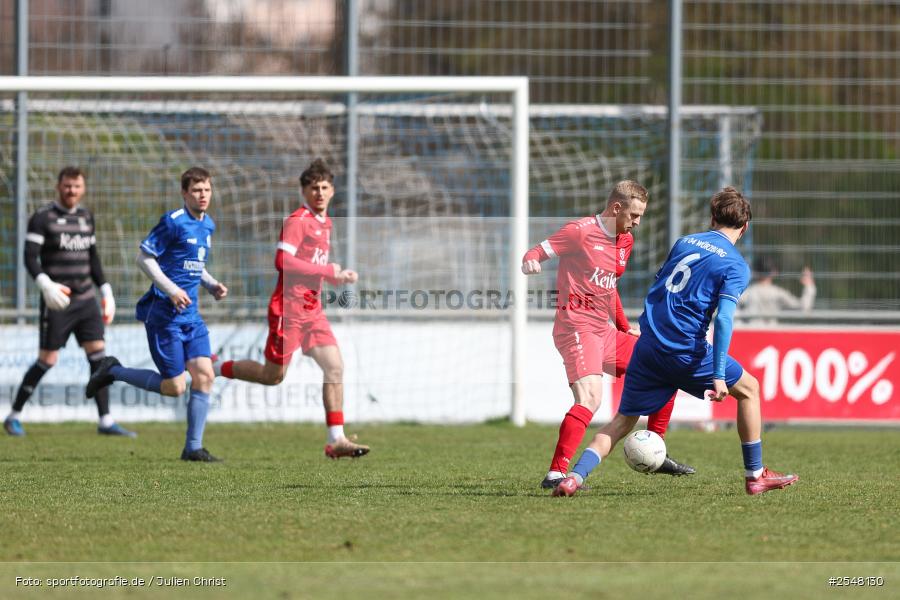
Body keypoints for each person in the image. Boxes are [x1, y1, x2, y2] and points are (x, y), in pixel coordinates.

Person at [554, 187, 799, 497]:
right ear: (745, 226)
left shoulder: (684, 243)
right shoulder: (735, 266)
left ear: (712, 219)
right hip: (686, 351)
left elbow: (661, 287)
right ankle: (755, 475)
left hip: (649, 346)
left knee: (621, 422)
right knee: (749, 390)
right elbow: (723, 319)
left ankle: (574, 477)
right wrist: (719, 375)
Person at [522, 180, 694, 491]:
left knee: (664, 367)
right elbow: (536, 251)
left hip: (604, 330)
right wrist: (531, 261)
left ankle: (656, 446)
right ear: (616, 208)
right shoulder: (580, 231)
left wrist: (625, 326)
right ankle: (556, 474)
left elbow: (608, 287)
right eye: (634, 215)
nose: (637, 223)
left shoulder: (624, 240)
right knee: (591, 399)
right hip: (575, 327)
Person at [213, 159, 369, 459]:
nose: (319, 193)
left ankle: (336, 439)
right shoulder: (298, 220)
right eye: (313, 188)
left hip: (313, 311)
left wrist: (336, 277)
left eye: (324, 187)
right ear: (304, 191)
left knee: (335, 366)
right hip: (289, 310)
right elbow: (282, 262)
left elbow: (314, 268)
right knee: (273, 376)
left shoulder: (325, 223)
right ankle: (218, 366)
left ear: (333, 191)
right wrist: (325, 272)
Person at [86, 167, 228, 462]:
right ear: (185, 193)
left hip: (192, 317)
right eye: (196, 191)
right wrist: (172, 290)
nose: (203, 196)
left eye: (207, 190)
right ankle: (113, 371)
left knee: (204, 376)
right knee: (175, 387)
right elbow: (144, 257)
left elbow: (194, 264)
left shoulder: (208, 225)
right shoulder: (173, 222)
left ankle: (193, 448)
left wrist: (211, 284)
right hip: (164, 315)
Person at [4, 167, 135, 438]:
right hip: (58, 302)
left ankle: (106, 421)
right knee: (48, 359)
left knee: (98, 358)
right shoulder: (43, 218)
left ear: (83, 188)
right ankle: (14, 415)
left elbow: (93, 258)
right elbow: (30, 257)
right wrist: (45, 284)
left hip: (86, 300)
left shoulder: (87, 217)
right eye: (67, 186)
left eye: (76, 187)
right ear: (58, 186)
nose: (71, 191)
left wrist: (106, 291)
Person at [738, 256, 816, 325]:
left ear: (755, 272)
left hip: (751, 335)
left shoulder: (748, 292)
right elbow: (803, 307)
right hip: (772, 336)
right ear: (774, 272)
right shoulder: (778, 293)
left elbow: (731, 306)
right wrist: (809, 286)